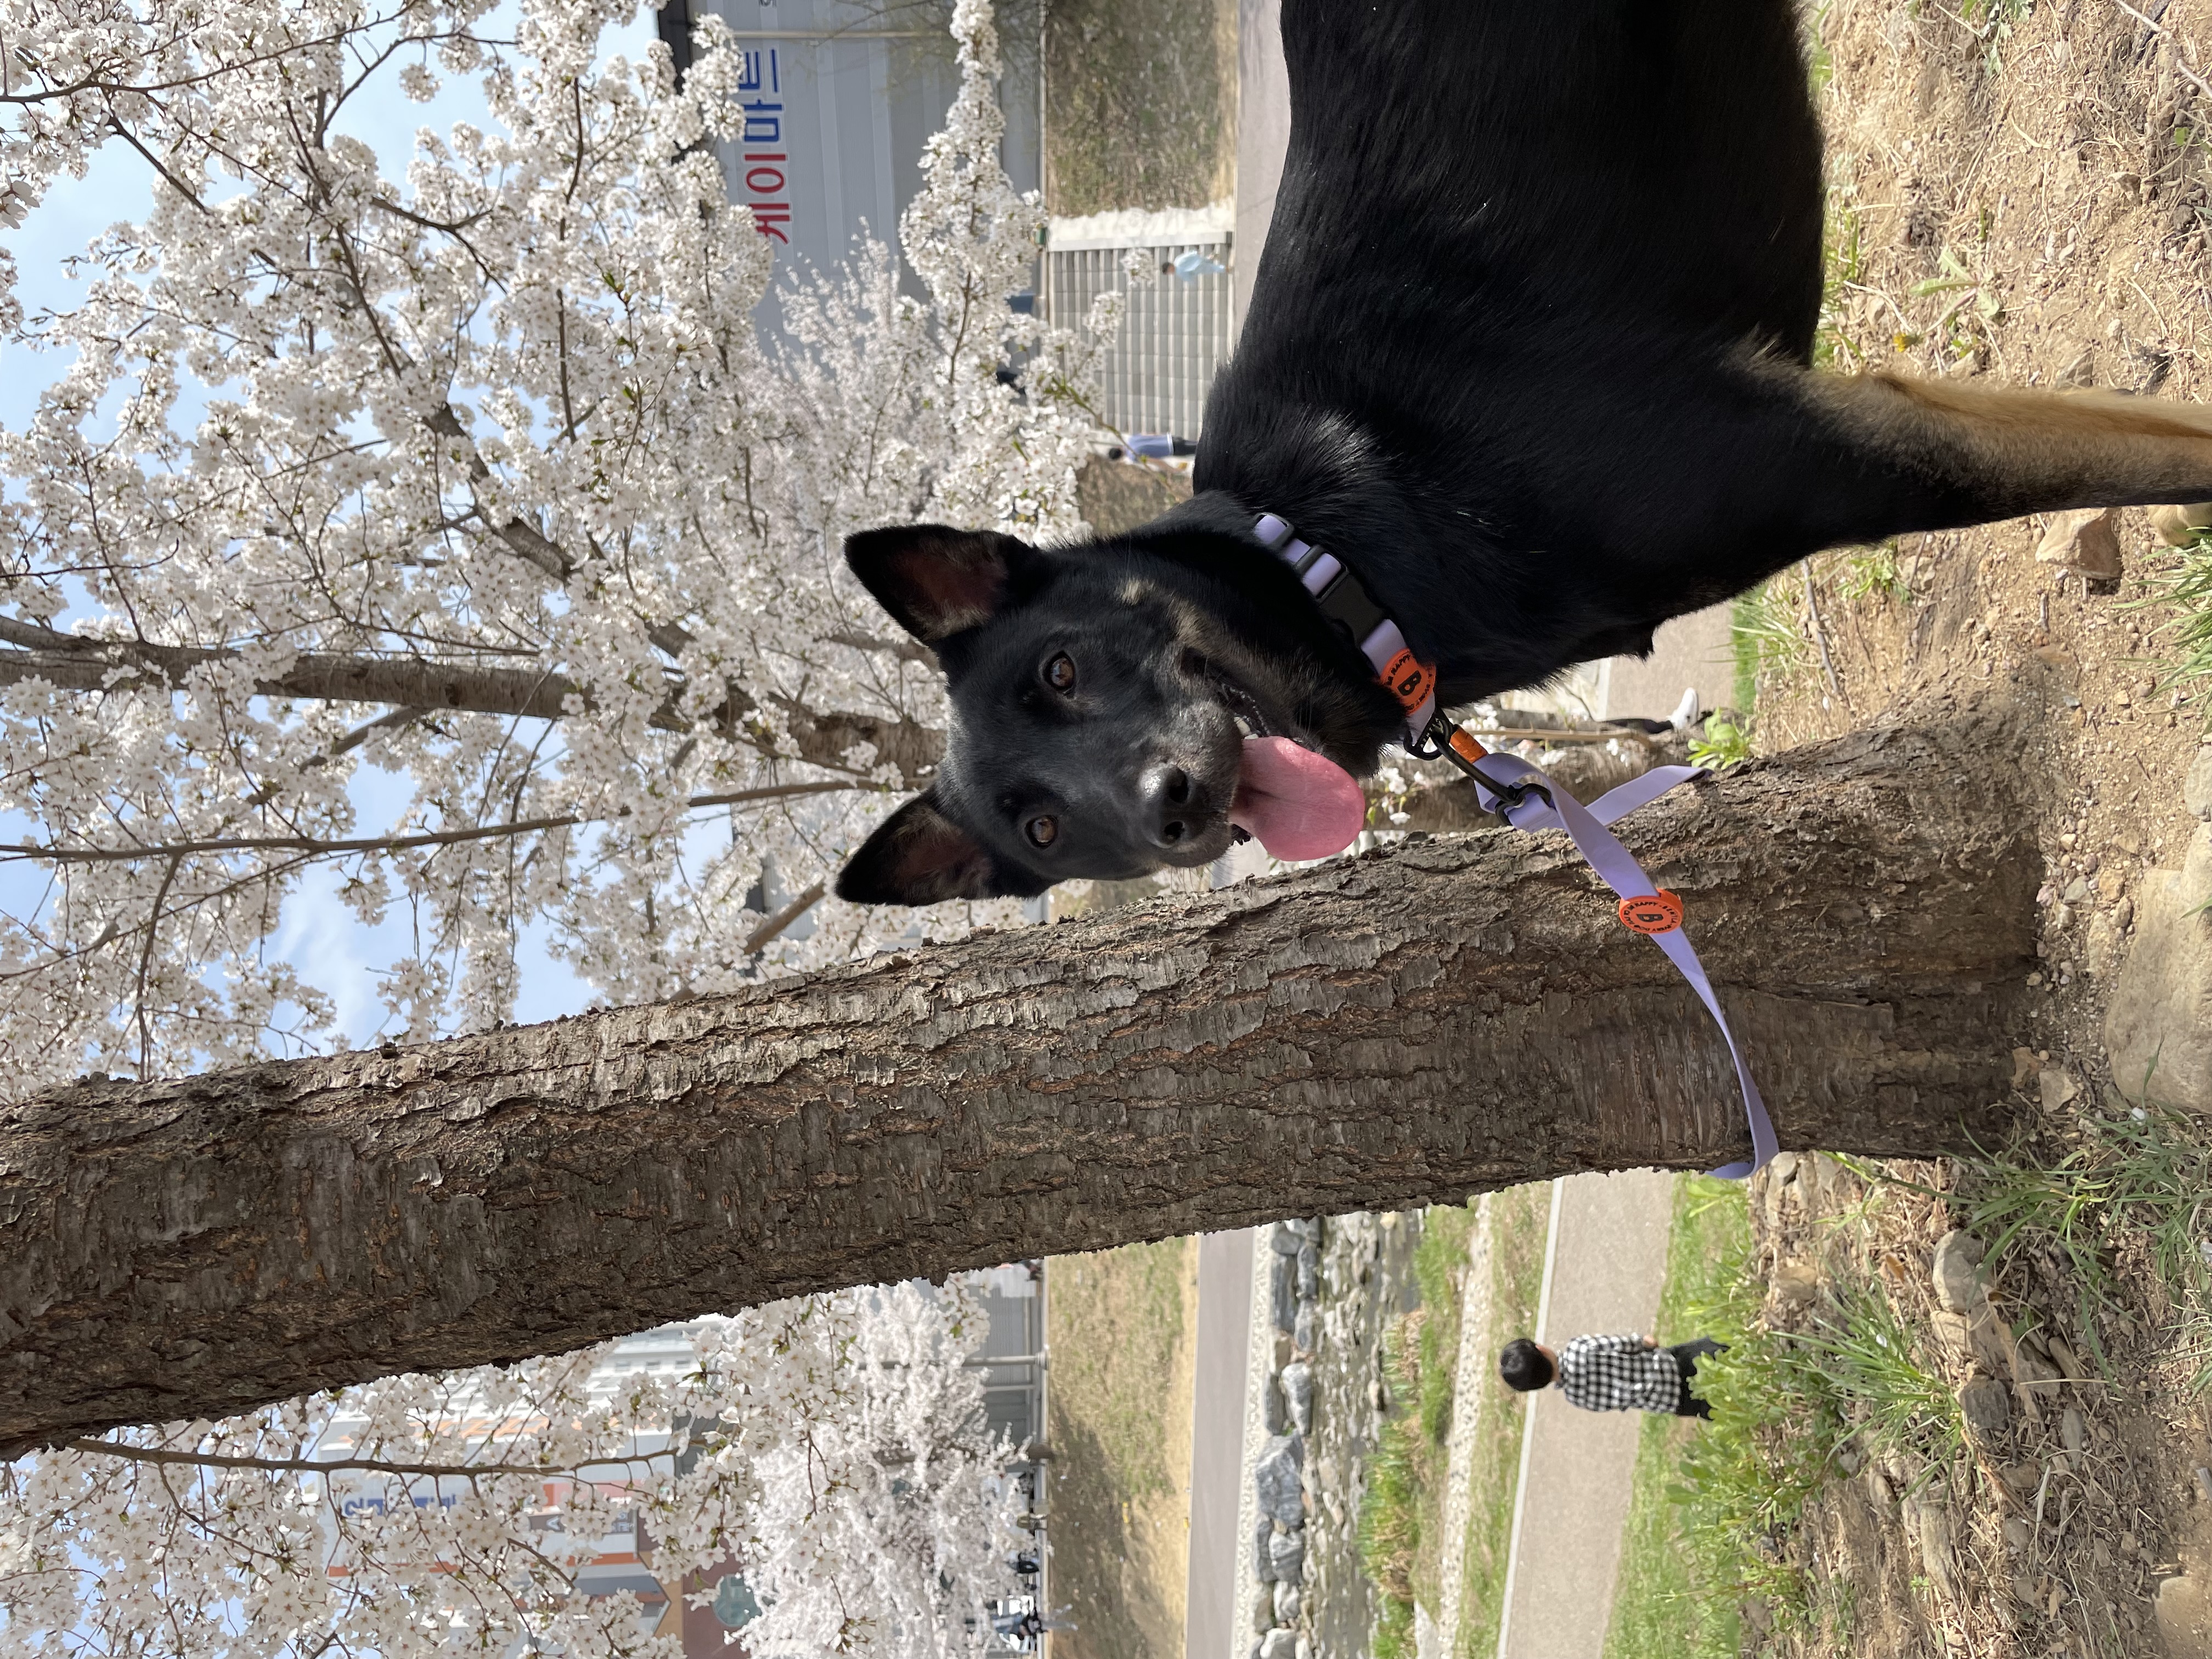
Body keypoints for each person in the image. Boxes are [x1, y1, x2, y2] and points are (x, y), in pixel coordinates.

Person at [1498, 1331, 1726, 1419]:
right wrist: (1645, 1343)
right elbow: (1623, 1344)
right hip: (1673, 1367)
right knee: (1722, 1350)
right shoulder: (1579, 1349)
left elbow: (1613, 1403)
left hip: (1674, 1402)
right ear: (1542, 1349)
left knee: (1722, 1407)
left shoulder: (1576, 1398)